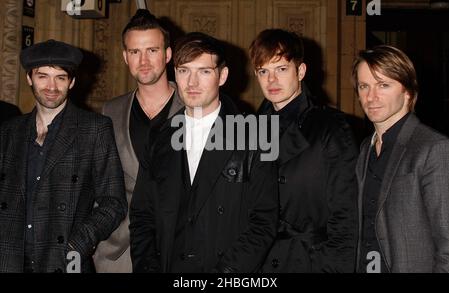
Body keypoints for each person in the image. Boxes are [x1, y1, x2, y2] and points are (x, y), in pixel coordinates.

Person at [129, 32, 279, 273]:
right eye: (184, 71)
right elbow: (142, 216)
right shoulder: (159, 137)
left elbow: (263, 223)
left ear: (223, 76)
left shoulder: (254, 135)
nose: (192, 83)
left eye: (204, 71)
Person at [0, 39, 127, 273]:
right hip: (10, 260)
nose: (51, 86)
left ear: (72, 81)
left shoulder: (94, 128)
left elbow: (114, 202)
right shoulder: (9, 131)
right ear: (29, 78)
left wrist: (78, 243)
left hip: (64, 262)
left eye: (60, 77)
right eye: (42, 76)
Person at [249, 29, 358, 273]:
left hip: (311, 262)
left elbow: (346, 215)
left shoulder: (331, 126)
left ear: (300, 71)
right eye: (263, 71)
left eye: (281, 69)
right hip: (260, 263)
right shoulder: (250, 130)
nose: (271, 80)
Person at [93, 9, 183, 273]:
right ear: (125, 57)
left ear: (167, 55)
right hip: (120, 252)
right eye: (135, 52)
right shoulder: (110, 111)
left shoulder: (196, 108)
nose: (143, 61)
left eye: (152, 51)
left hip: (179, 247)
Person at [352, 45, 449, 273]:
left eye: (383, 85)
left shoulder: (434, 148)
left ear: (407, 91)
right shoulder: (366, 147)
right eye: (364, 86)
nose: (371, 96)